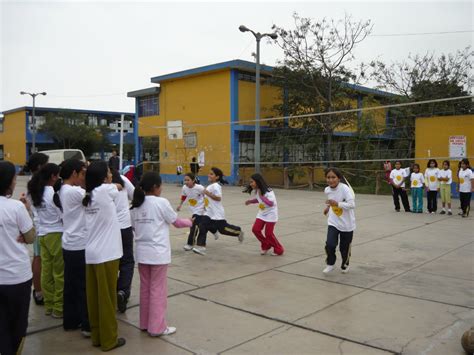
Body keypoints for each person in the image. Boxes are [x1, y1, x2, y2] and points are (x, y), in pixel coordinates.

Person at [130, 172, 192, 337]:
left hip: (142, 254)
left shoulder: (136, 205)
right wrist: (190, 222)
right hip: (157, 253)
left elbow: (134, 228)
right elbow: (177, 223)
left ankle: (144, 324)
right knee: (158, 290)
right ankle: (157, 327)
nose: (162, 188)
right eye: (161, 185)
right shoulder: (161, 202)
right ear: (155, 187)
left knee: (145, 289)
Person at [82, 161, 125, 351]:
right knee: (108, 300)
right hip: (107, 253)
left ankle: (97, 336)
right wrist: (110, 181)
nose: (111, 175)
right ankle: (109, 340)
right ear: (103, 177)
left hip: (91, 253)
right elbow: (119, 185)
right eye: (108, 173)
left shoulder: (88, 195)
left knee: (95, 298)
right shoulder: (105, 191)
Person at [0, 161, 36, 355]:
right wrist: (27, 210)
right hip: (17, 277)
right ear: (10, 182)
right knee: (18, 325)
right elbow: (30, 237)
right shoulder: (16, 207)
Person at [57, 159, 90, 336]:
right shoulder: (75, 191)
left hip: (68, 243)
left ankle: (70, 320)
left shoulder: (62, 189)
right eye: (82, 174)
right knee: (83, 287)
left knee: (70, 285)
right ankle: (86, 325)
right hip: (79, 244)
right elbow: (96, 197)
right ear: (74, 174)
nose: (84, 177)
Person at [27, 163, 64, 318]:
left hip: (42, 235)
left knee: (46, 272)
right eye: (58, 175)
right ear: (53, 176)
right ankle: (58, 307)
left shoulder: (34, 192)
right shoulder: (54, 193)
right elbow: (62, 214)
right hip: (56, 234)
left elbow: (34, 214)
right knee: (59, 273)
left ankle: (48, 305)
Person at [193, 167, 244, 255]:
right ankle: (201, 246)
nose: (209, 175)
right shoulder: (210, 186)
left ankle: (238, 231)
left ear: (217, 177)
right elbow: (208, 200)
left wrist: (207, 193)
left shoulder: (216, 186)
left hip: (217, 214)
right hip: (208, 213)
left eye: (211, 174)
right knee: (202, 225)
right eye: (209, 173)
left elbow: (218, 198)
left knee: (223, 230)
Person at [26, 152, 49, 306]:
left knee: (38, 258)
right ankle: (42, 291)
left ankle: (39, 292)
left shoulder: (31, 182)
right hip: (44, 227)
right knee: (41, 260)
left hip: (38, 226)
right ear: (40, 166)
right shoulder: (42, 183)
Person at [322, 168, 355, 274]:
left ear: (339, 178)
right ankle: (330, 264)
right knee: (330, 244)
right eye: (328, 177)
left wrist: (337, 204)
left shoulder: (345, 189)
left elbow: (352, 205)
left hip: (347, 224)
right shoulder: (327, 190)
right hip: (333, 221)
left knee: (344, 248)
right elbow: (330, 200)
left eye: (333, 177)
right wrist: (328, 207)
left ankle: (345, 265)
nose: (330, 180)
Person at [111, 170, 135, 313]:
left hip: (108, 230)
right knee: (127, 261)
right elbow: (136, 195)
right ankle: (123, 291)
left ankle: (113, 290)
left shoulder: (99, 186)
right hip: (124, 227)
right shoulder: (123, 180)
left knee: (112, 261)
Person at [244, 173, 284, 255]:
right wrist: (251, 201)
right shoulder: (258, 190)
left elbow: (271, 203)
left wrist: (262, 196)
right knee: (255, 230)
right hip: (262, 213)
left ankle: (279, 249)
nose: (250, 184)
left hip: (271, 214)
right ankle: (266, 244)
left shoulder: (268, 191)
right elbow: (259, 199)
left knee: (268, 234)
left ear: (258, 182)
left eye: (252, 182)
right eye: (250, 182)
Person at [177, 173, 205, 251]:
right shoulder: (184, 188)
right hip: (192, 209)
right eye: (185, 180)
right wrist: (180, 205)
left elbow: (206, 196)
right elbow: (184, 196)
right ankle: (214, 229)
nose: (186, 182)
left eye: (188, 180)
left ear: (193, 180)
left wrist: (206, 206)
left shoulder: (199, 188)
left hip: (201, 209)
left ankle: (190, 243)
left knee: (193, 225)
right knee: (202, 226)